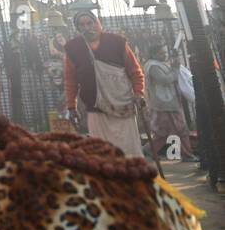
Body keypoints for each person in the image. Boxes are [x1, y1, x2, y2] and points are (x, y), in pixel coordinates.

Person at [63, 11, 145, 158]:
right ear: (77, 28)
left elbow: (135, 71)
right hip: (95, 108)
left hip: (122, 106)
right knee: (102, 153)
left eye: (90, 23)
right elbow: (71, 80)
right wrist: (71, 106)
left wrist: (139, 93)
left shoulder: (118, 42)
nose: (87, 28)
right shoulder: (73, 48)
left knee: (129, 151)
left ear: (98, 22)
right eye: (82, 25)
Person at [144, 45, 197, 162]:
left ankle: (148, 149)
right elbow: (165, 80)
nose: (165, 55)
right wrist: (176, 69)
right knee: (181, 129)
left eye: (165, 52)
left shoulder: (159, 64)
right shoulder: (153, 66)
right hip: (166, 104)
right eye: (161, 53)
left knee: (163, 132)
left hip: (166, 103)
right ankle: (187, 155)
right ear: (153, 54)